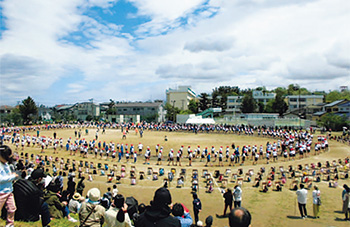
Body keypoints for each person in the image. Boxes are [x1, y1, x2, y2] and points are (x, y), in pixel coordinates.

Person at [0, 145, 18, 227]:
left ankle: (10, 224)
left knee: (12, 208)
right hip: (1, 192)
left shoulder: (6, 164)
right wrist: (12, 176)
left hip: (9, 191)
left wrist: (11, 175)